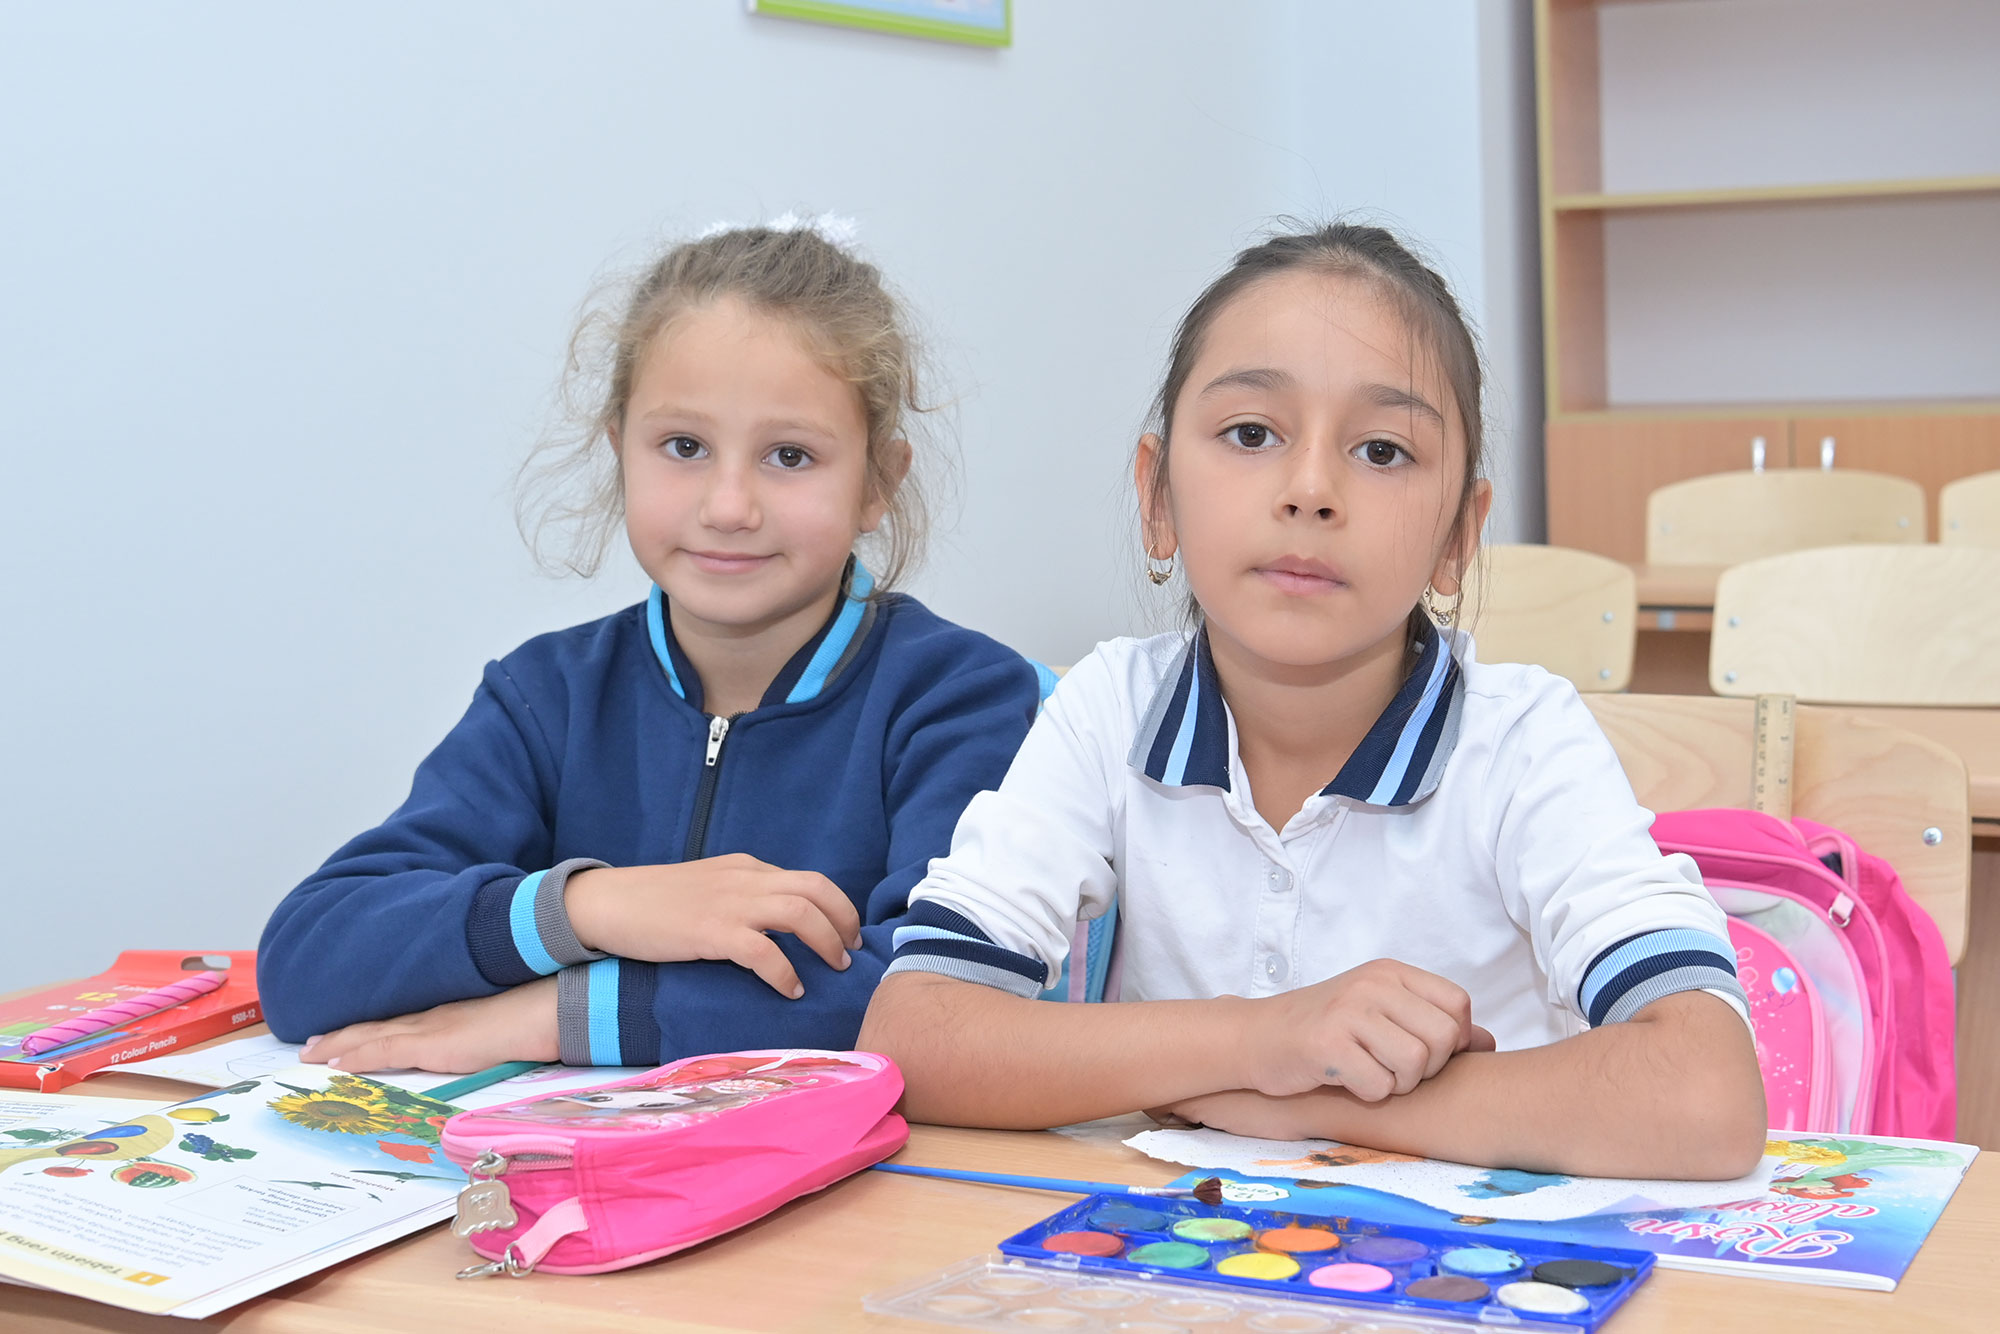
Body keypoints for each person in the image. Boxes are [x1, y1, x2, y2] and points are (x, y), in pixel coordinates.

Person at [860, 222, 1766, 1180]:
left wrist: (1301, 1103)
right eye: (1252, 434)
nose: (1310, 490)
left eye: (1382, 450)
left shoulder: (1522, 741)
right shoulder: (1109, 709)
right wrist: (1262, 1041)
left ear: (1458, 538)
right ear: (1157, 497)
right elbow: (916, 1035)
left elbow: (1705, 1096)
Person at [259, 220, 1041, 1073]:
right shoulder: (546, 696)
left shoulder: (959, 698)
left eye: (789, 455)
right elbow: (306, 962)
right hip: (557, 1152)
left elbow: (942, 1001)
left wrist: (566, 1014)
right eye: (684, 447)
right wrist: (591, 908)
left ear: (877, 482)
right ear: (619, 450)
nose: (729, 506)